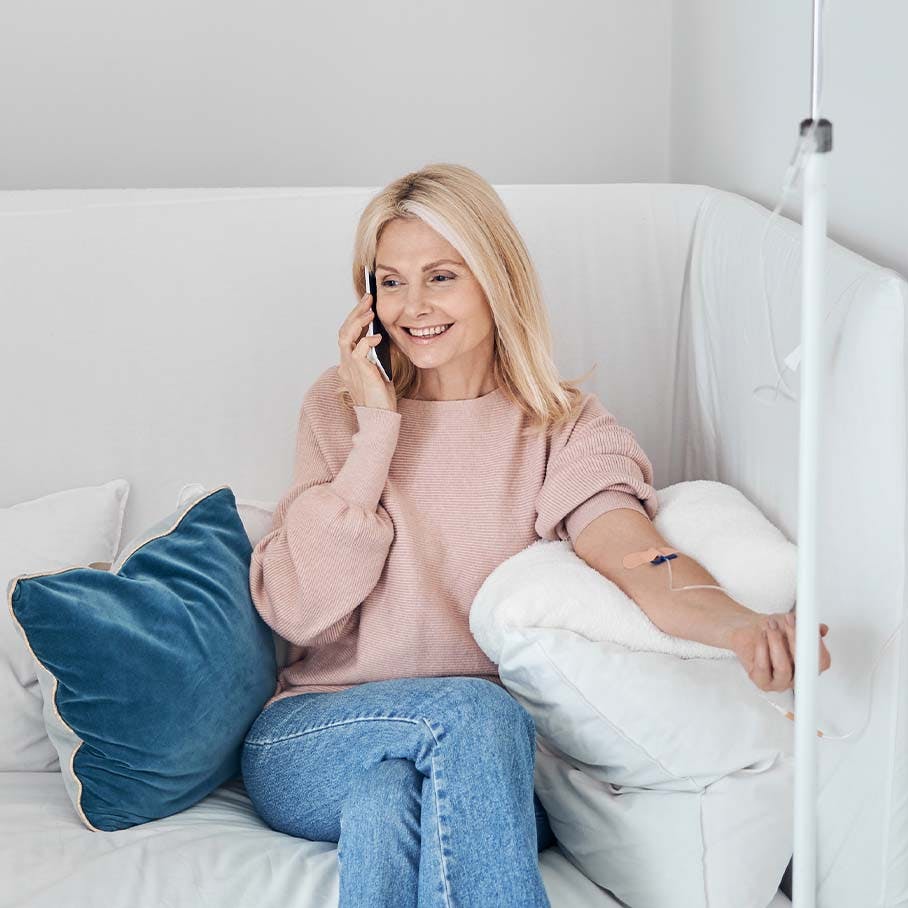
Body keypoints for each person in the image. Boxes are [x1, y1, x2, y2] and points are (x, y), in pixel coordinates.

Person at [239, 163, 830, 907]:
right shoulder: (339, 409)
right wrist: (376, 429)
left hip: (490, 768)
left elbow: (639, 558)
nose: (411, 306)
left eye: (441, 277)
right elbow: (295, 607)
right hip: (314, 736)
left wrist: (742, 628)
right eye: (390, 282)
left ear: (496, 280)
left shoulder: (564, 430)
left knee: (390, 803)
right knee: (470, 715)